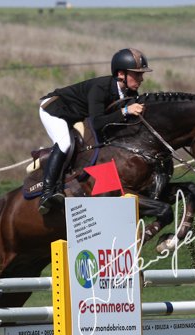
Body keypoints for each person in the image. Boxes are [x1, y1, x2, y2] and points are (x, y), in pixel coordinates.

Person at [37, 48, 152, 214]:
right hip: (55, 109)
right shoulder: (101, 87)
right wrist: (125, 111)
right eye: (137, 74)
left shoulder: (130, 92)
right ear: (121, 74)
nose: (141, 78)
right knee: (65, 143)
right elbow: (97, 123)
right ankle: (47, 194)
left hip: (76, 114)